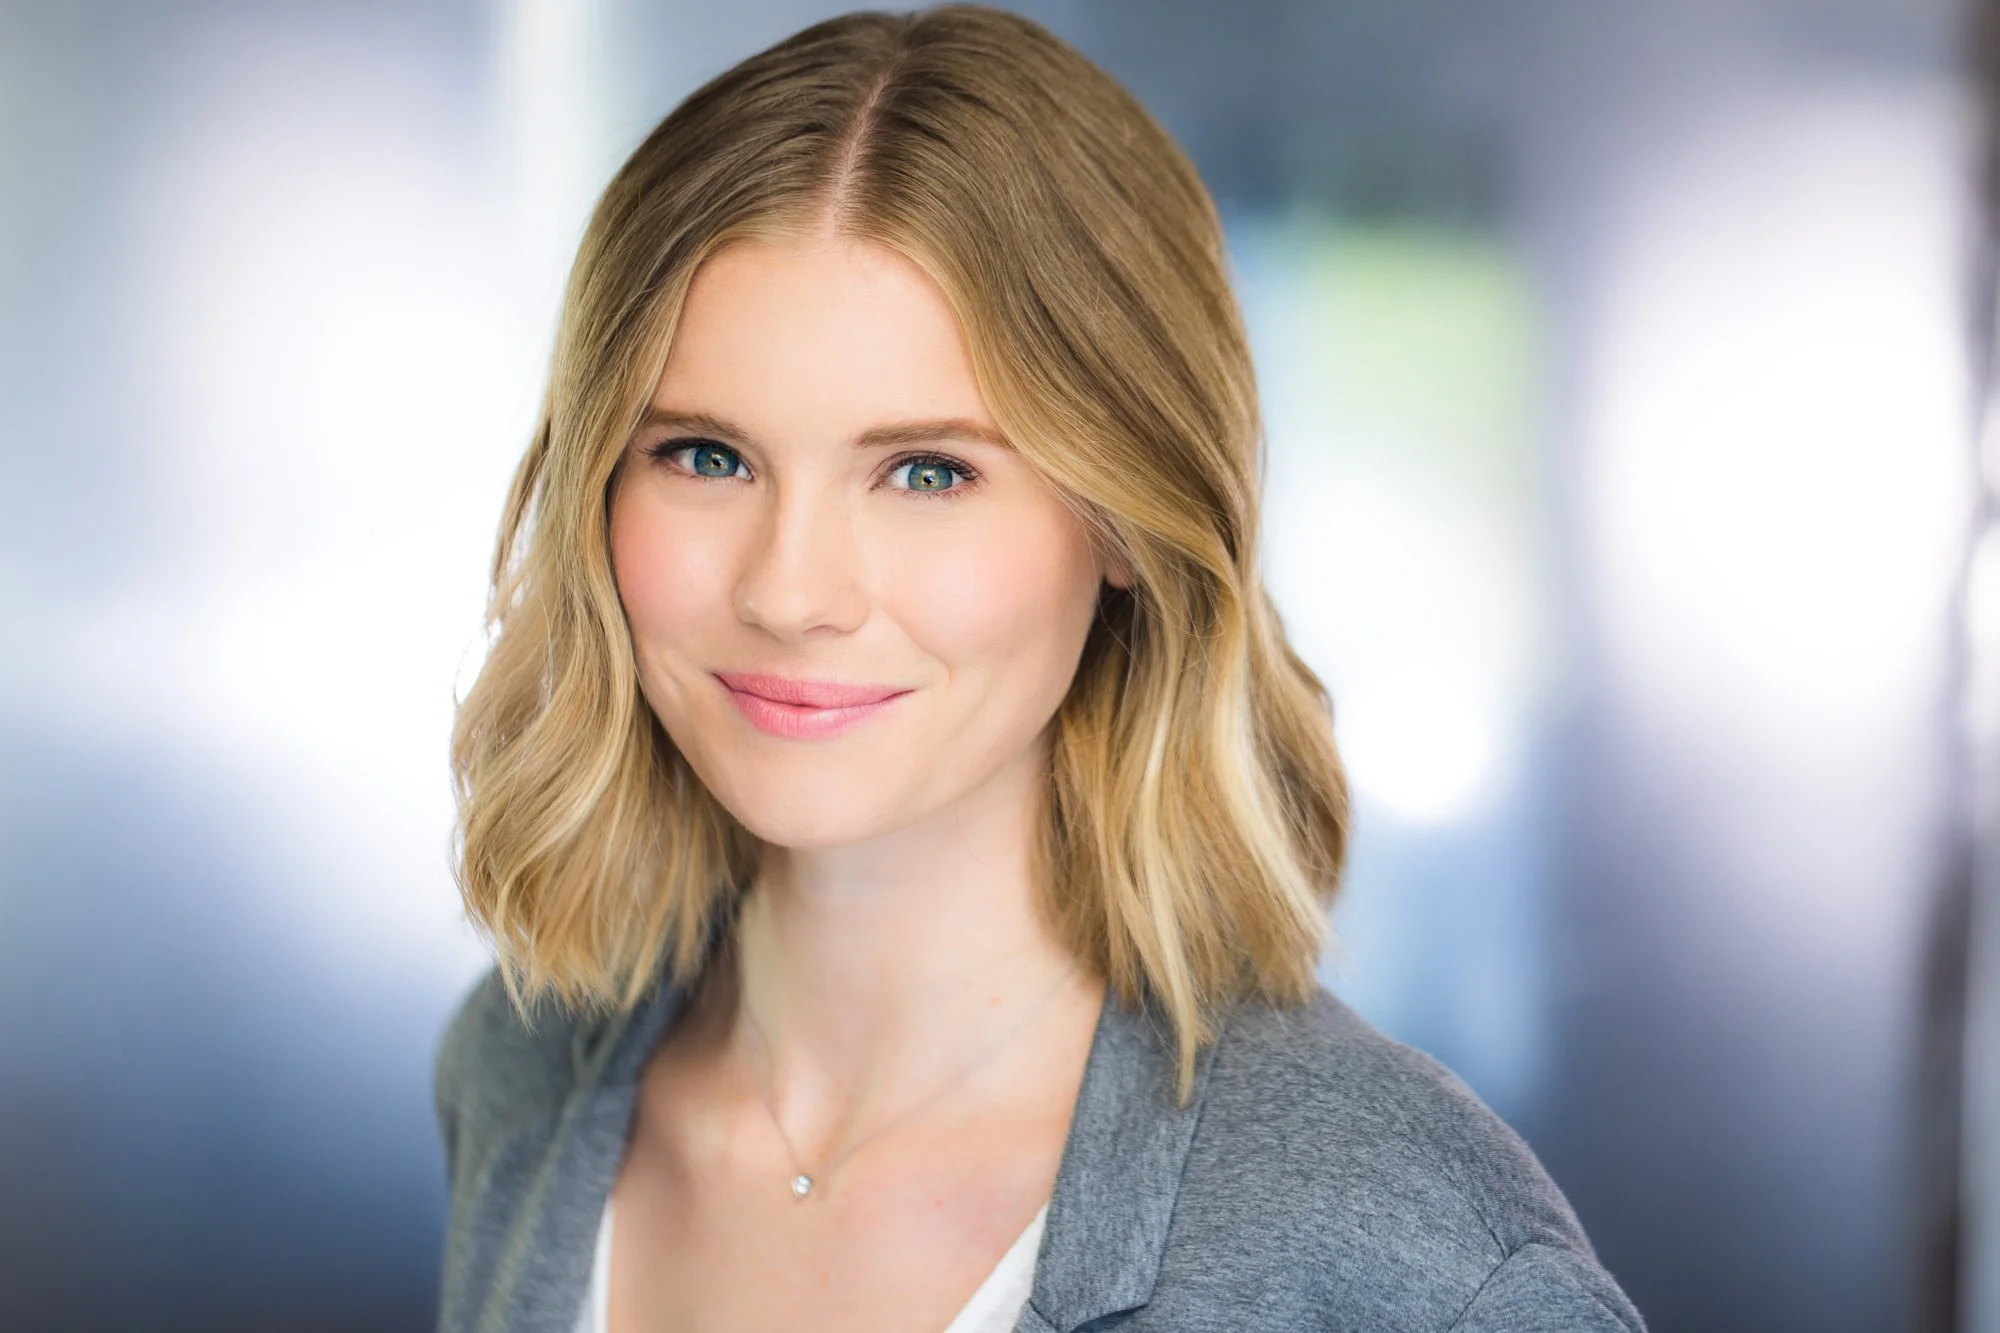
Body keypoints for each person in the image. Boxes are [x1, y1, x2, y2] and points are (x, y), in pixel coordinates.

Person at [432, 6, 1645, 1331]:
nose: (789, 591)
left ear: (1124, 521)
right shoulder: (522, 1073)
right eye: (706, 456)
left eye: (928, 472)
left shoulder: (1406, 1258)